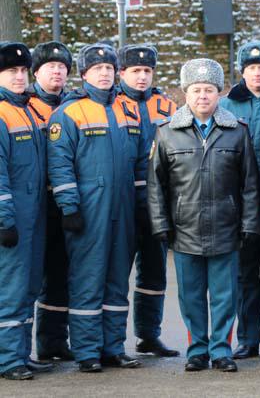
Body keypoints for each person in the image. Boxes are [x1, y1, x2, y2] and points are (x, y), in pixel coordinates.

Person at [148, 58, 260, 373]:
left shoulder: (236, 132)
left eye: (209, 90)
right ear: (186, 92)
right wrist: (160, 224)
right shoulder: (167, 133)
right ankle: (197, 350)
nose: (202, 97)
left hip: (226, 228)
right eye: (196, 90)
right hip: (185, 229)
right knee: (191, 296)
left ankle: (221, 349)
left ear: (218, 92)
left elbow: (250, 184)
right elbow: (157, 185)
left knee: (225, 296)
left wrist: (249, 223)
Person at [47, 43, 149, 372]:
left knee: (118, 279)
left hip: (122, 208)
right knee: (88, 280)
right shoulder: (69, 113)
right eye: (97, 69)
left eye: (109, 69)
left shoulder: (127, 109)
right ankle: (87, 351)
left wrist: (142, 203)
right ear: (84, 74)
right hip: (89, 210)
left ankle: (113, 347)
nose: (104, 74)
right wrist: (70, 207)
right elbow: (59, 165)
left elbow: (139, 163)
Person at [219, 40, 260, 360]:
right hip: (241, 205)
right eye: (251, 68)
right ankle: (247, 337)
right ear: (242, 71)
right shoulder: (227, 106)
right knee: (244, 275)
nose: (257, 74)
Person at [116, 44, 178, 358]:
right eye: (135, 71)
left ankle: (148, 335)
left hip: (155, 201)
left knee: (154, 272)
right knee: (115, 274)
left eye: (147, 71)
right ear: (121, 73)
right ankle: (110, 341)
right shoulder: (110, 103)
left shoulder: (166, 105)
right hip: (122, 201)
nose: (142, 77)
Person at [0, 42, 50, 380]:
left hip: (34, 214)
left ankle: (21, 352)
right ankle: (7, 359)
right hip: (14, 216)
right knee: (11, 288)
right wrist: (4, 219)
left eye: (22, 70)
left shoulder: (29, 109)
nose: (20, 76)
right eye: (11, 71)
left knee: (30, 286)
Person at [30, 42, 74, 362]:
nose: (57, 71)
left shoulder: (72, 105)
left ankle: (54, 341)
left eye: (62, 67)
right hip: (34, 202)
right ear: (36, 72)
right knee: (30, 277)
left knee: (60, 274)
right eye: (50, 66)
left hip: (63, 203)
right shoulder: (26, 105)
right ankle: (20, 347)